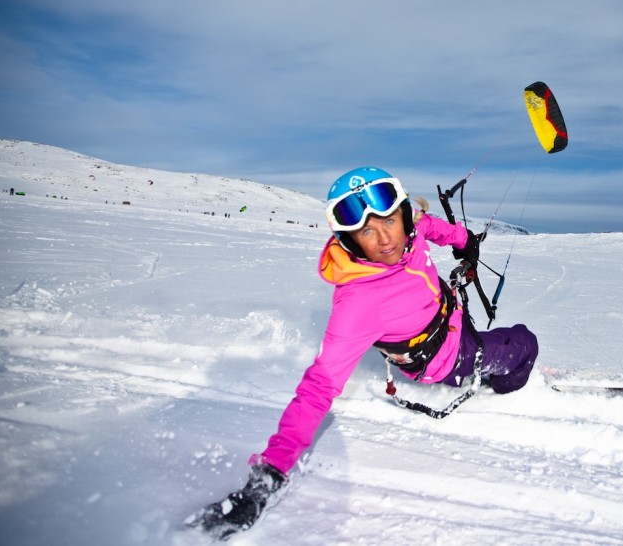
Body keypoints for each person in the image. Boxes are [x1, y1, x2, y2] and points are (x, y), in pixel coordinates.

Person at [191, 166, 539, 539]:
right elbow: (317, 389)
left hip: (447, 310)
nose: (384, 239)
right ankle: (505, 388)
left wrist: (462, 239)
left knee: (476, 323)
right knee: (524, 342)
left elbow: (429, 226)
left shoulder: (411, 228)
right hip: (446, 358)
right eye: (366, 231)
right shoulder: (357, 304)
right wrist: (266, 479)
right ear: (350, 239)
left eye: (389, 220)